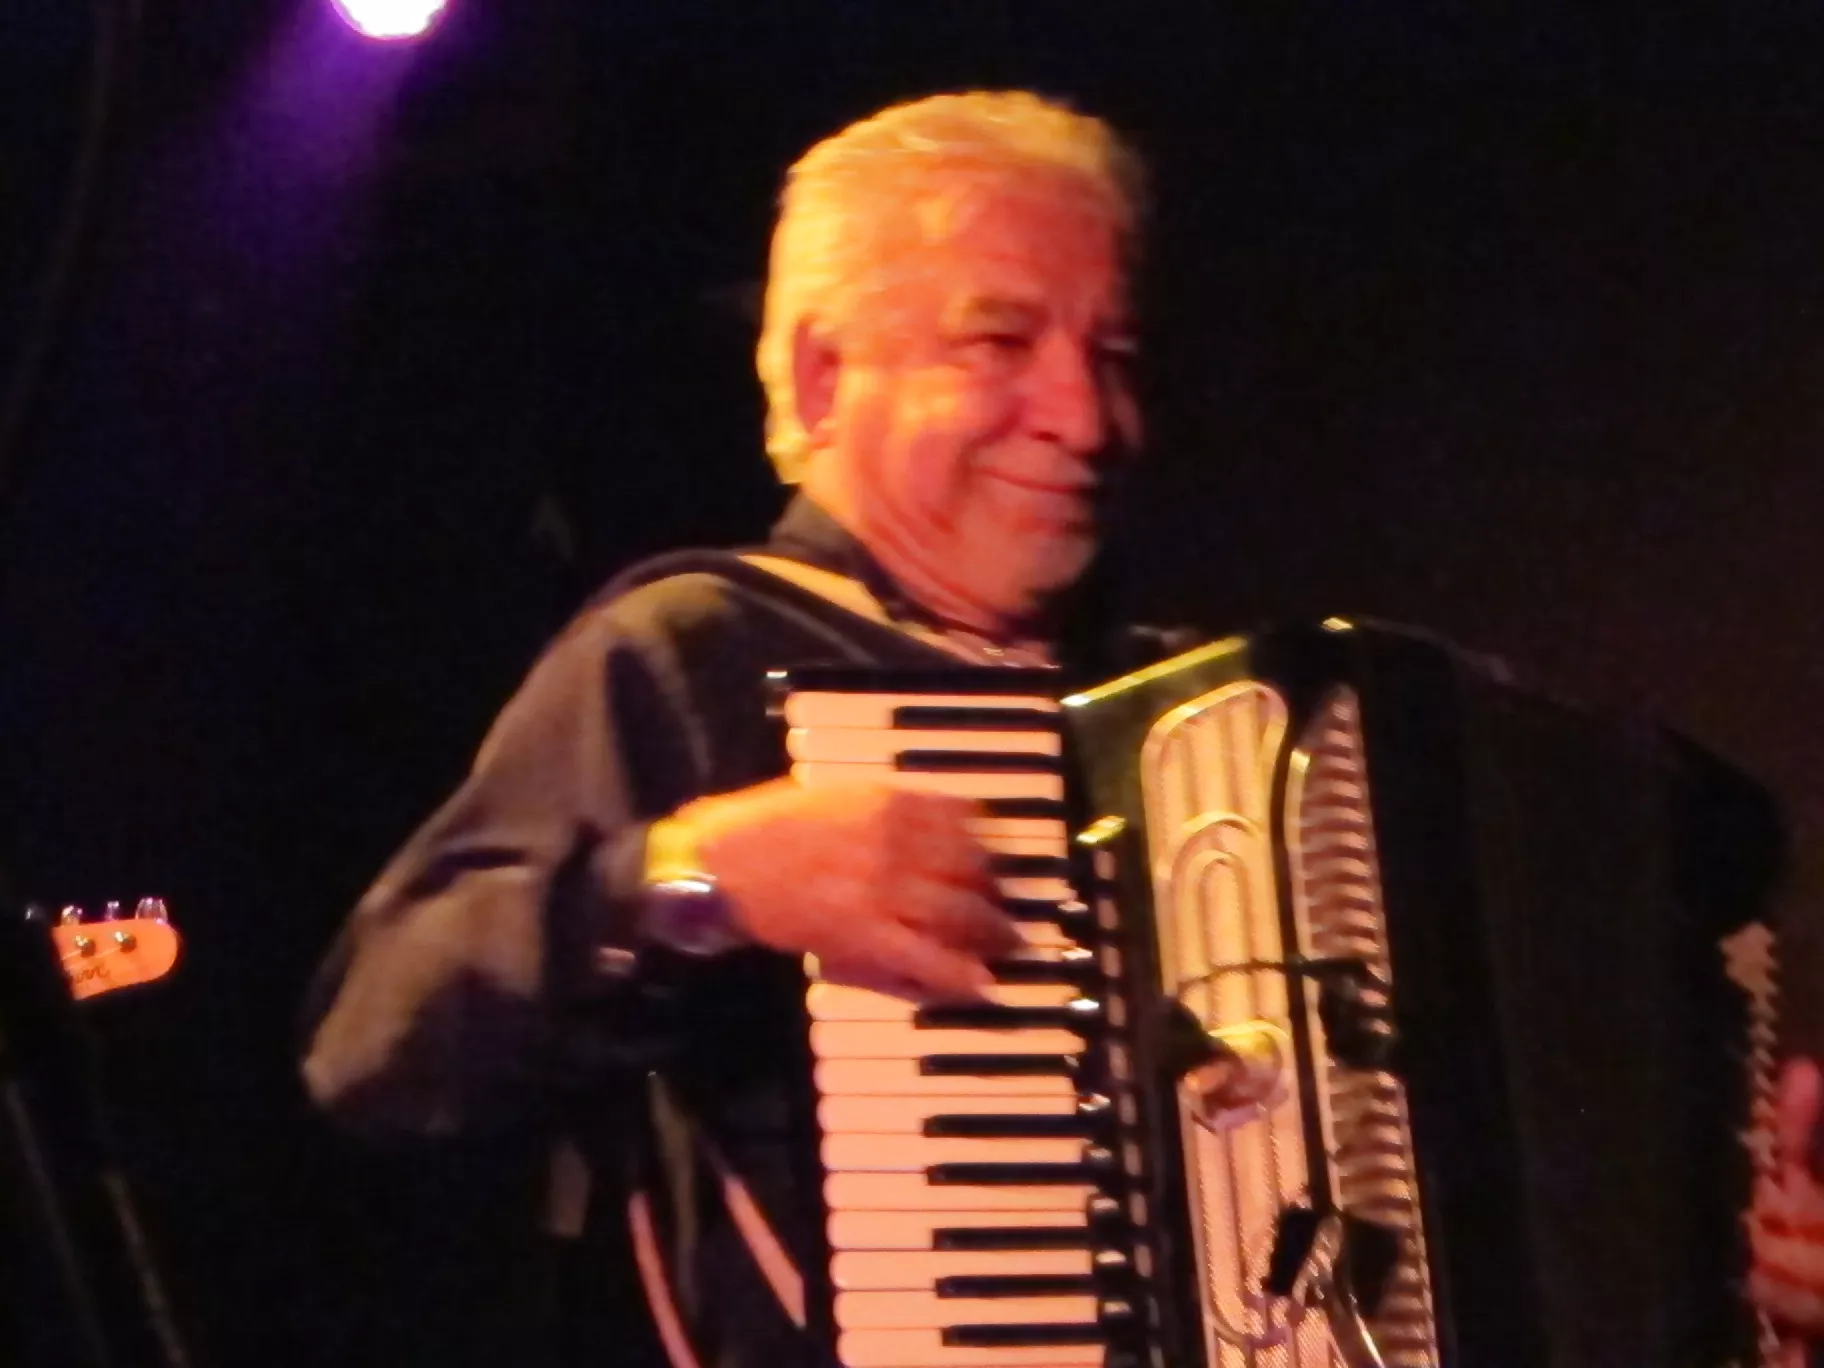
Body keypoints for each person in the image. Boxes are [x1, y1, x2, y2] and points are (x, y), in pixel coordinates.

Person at [302, 89, 1153, 1367]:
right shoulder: (700, 646)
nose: (1082, 418)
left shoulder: (1176, 715)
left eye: (1115, 355)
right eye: (998, 341)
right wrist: (698, 883)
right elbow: (375, 1045)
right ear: (823, 376)